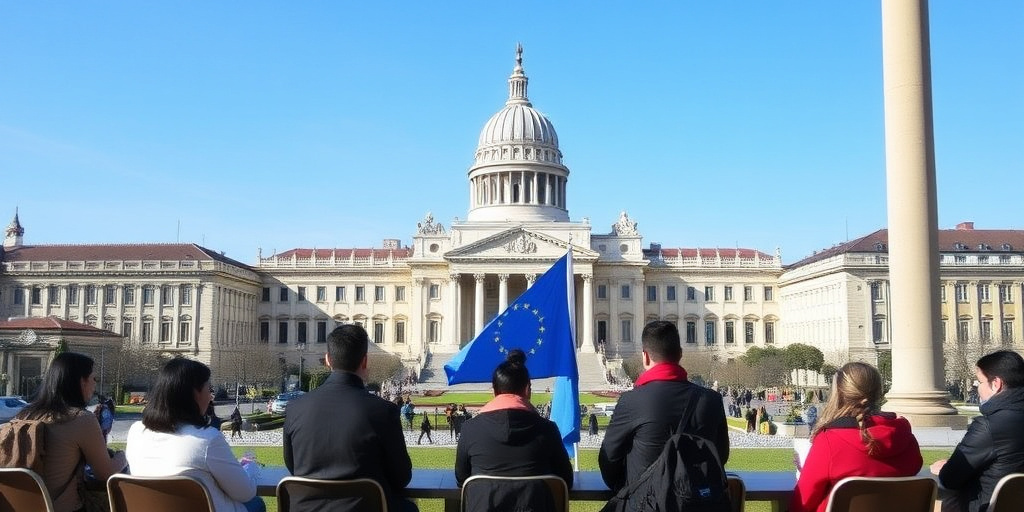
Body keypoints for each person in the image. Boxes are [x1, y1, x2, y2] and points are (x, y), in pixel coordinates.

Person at [284, 324, 415, 512]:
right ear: (365, 361)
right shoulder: (383, 411)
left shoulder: (294, 409)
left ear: (328, 360)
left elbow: (293, 468)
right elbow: (402, 477)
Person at [599, 321, 729, 507]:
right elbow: (720, 457)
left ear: (645, 357)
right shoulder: (712, 400)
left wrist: (630, 488)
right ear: (680, 354)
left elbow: (608, 459)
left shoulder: (631, 401)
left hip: (646, 505)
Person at [125, 358, 264, 512]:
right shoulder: (207, 439)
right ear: (195, 394)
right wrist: (250, 469)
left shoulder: (136, 432)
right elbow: (245, 493)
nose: (210, 396)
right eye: (208, 389)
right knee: (256, 503)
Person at [789, 362, 922, 512]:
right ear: (879, 392)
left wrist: (808, 469)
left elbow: (801, 504)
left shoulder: (829, 441)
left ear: (838, 393)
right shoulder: (905, 437)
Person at [455, 349, 573, 512]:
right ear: (527, 390)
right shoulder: (547, 430)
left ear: (494, 391)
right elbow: (565, 480)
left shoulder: (470, 429)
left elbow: (462, 479)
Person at [12, 352, 127, 512]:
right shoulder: (80, 419)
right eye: (94, 379)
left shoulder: (23, 416)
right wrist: (123, 456)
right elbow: (105, 473)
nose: (95, 385)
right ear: (82, 381)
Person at [931, 350, 1024, 512]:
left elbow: (950, 478)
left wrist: (944, 469)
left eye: (979, 382)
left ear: (996, 384)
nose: (977, 388)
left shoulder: (989, 426)